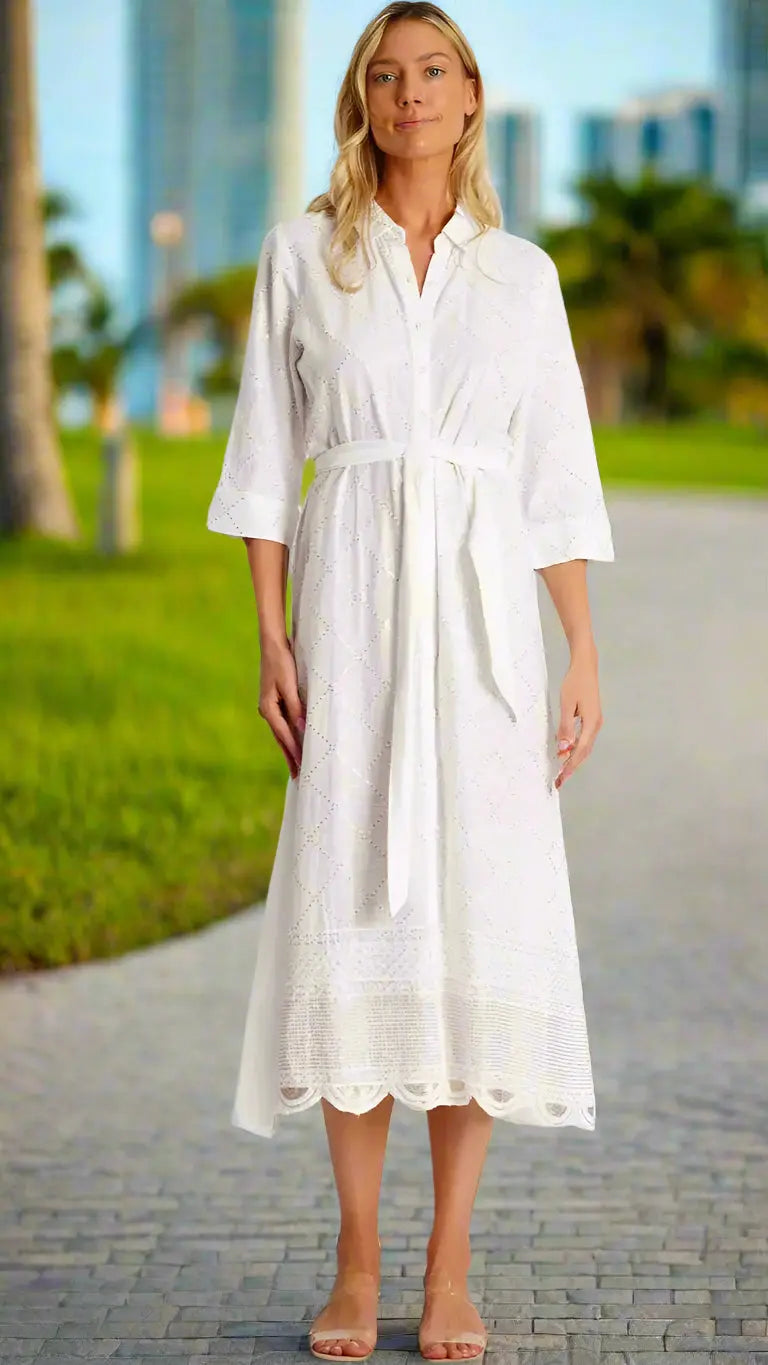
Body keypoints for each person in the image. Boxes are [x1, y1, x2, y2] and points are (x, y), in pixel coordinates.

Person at [206, 2, 615, 1359]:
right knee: (357, 910)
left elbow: (555, 475)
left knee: (475, 924)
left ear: (472, 92)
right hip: (357, 622)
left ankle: (449, 1265)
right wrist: (271, 635)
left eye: (433, 69)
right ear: (361, 101)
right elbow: (267, 459)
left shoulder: (523, 276)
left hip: (487, 633)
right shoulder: (301, 260)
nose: (411, 92)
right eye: (386, 74)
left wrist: (583, 649)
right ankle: (356, 1257)